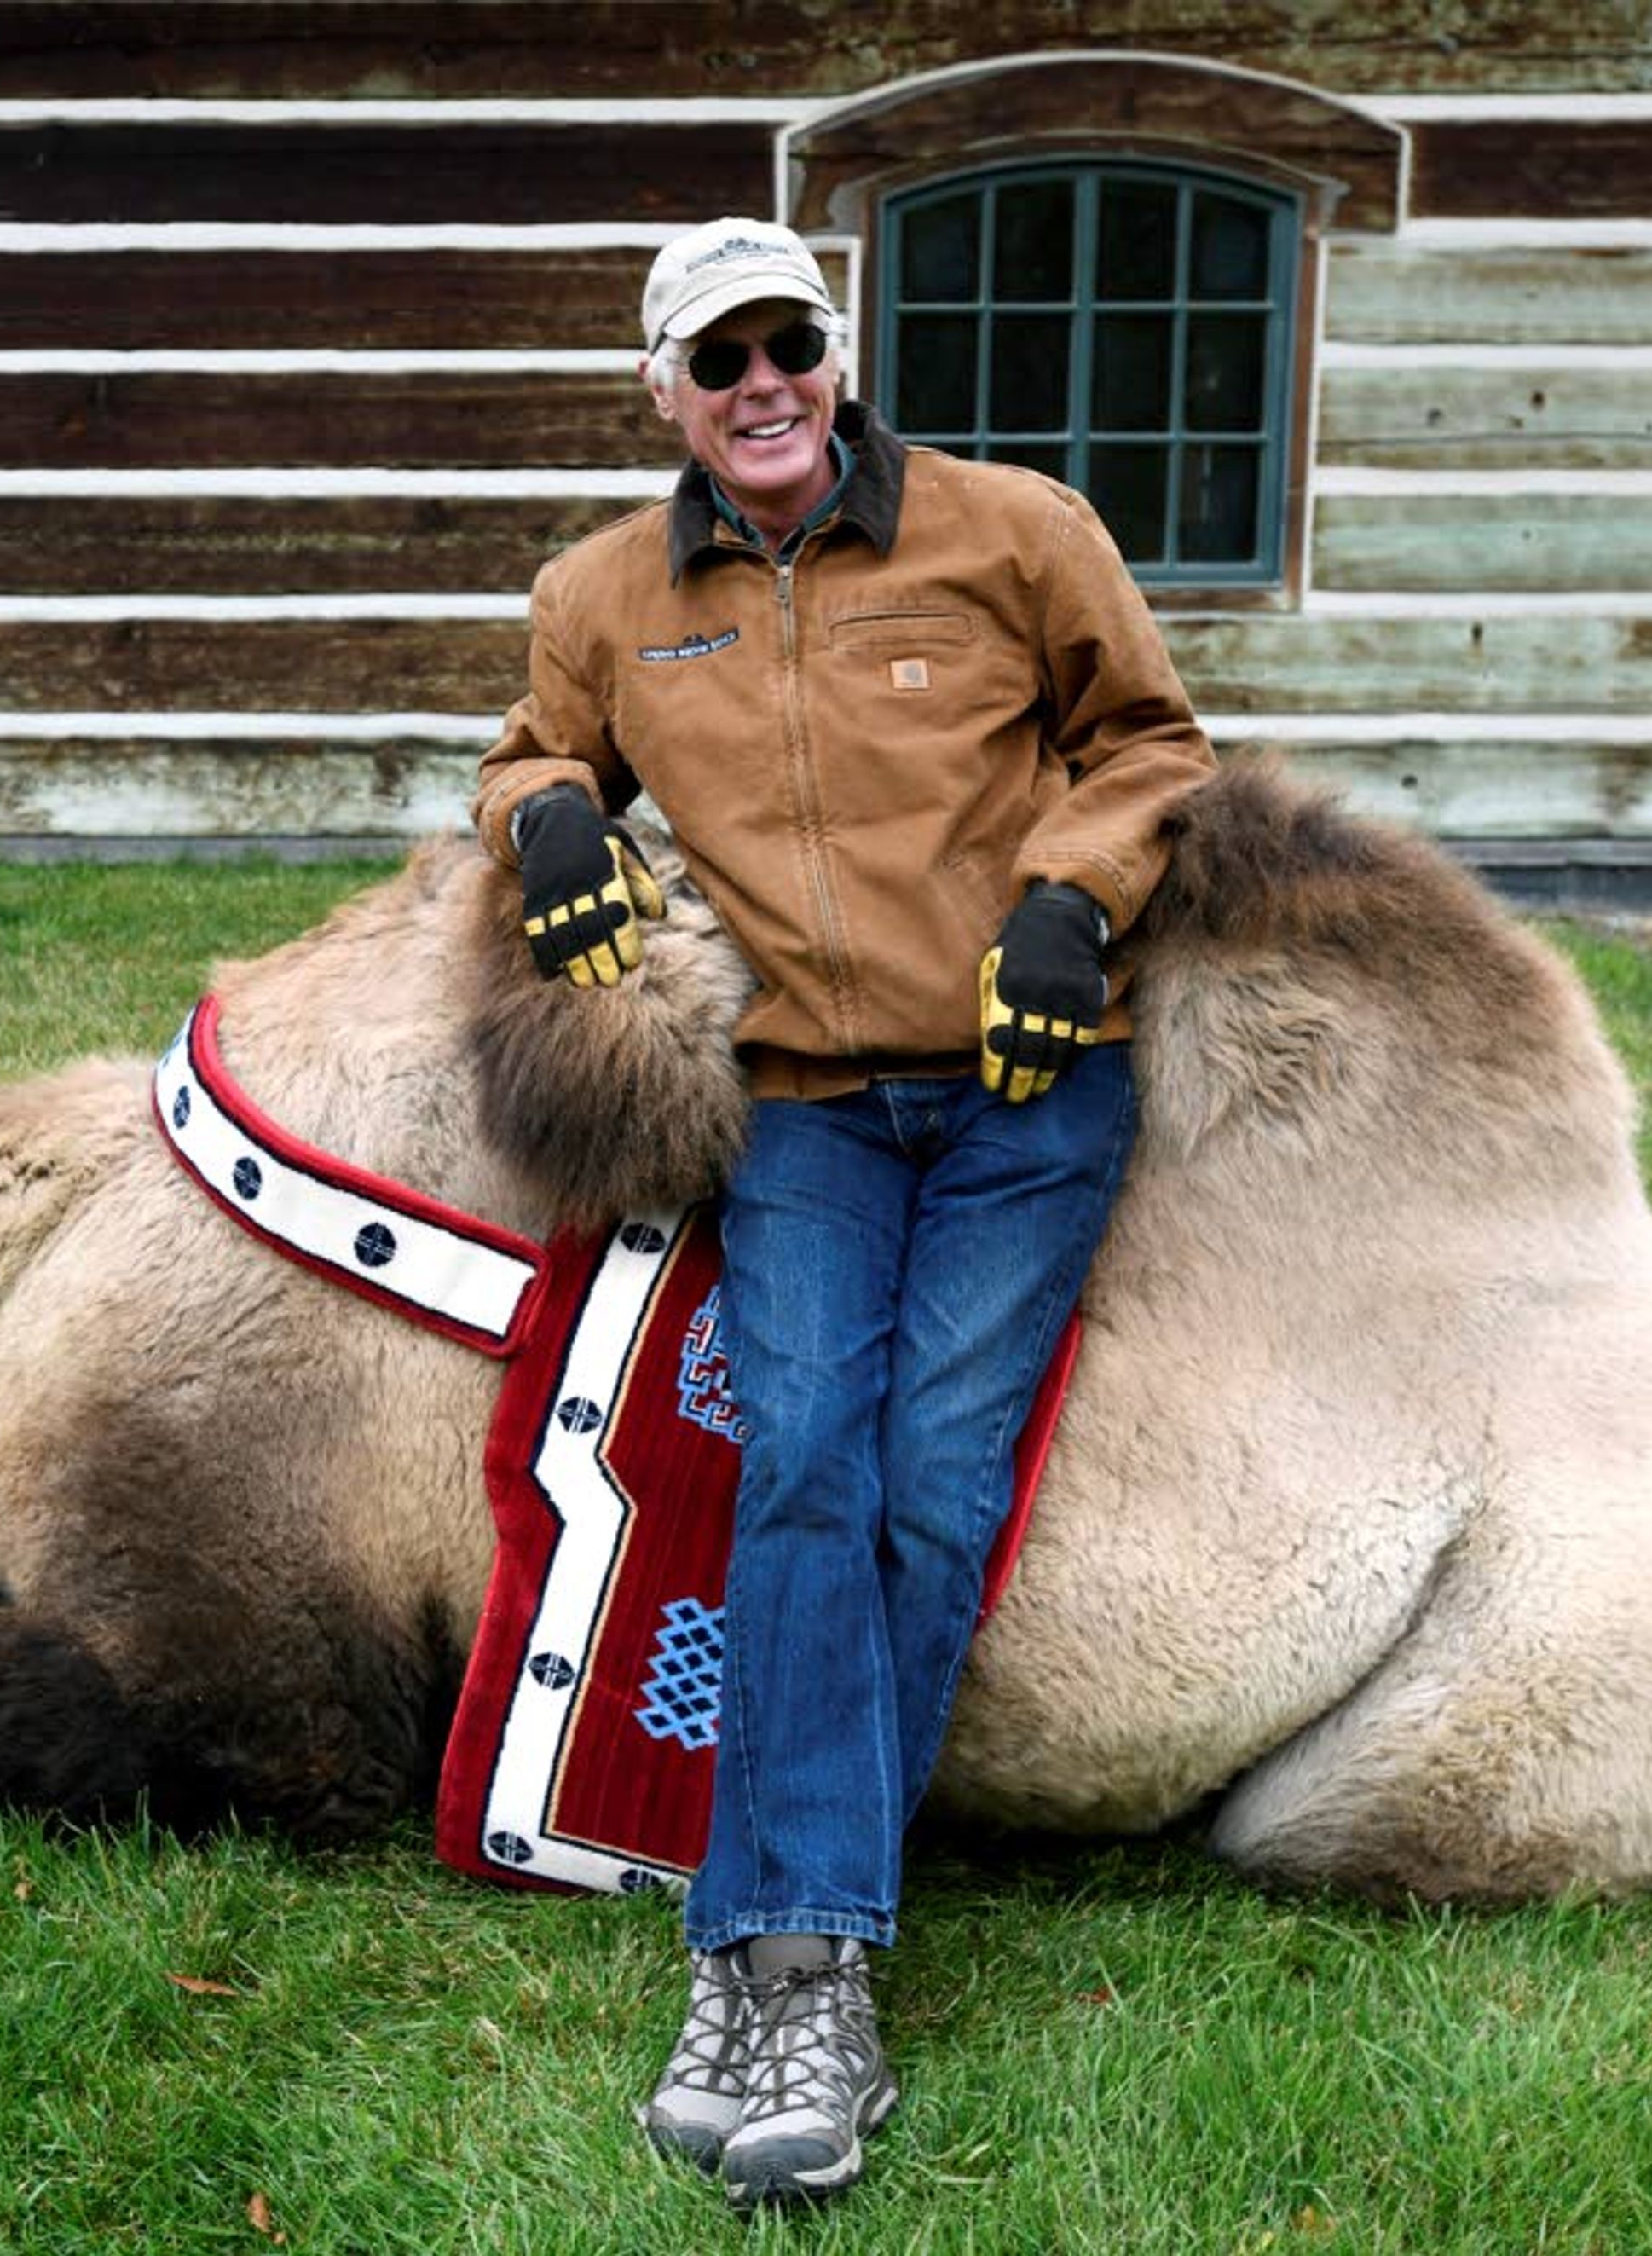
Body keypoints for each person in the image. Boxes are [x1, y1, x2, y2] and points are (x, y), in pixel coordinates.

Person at [472, 217, 1218, 2211]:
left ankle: (772, 1968)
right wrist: (546, 812)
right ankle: (802, 1967)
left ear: (839, 347)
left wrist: (1071, 898)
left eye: (788, 342)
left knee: (929, 1484)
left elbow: (1148, 742)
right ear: (663, 392)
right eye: (718, 362)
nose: (763, 386)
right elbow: (539, 749)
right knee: (799, 1455)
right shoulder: (607, 593)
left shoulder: (1014, 530)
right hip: (799, 1102)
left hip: (1020, 1096)